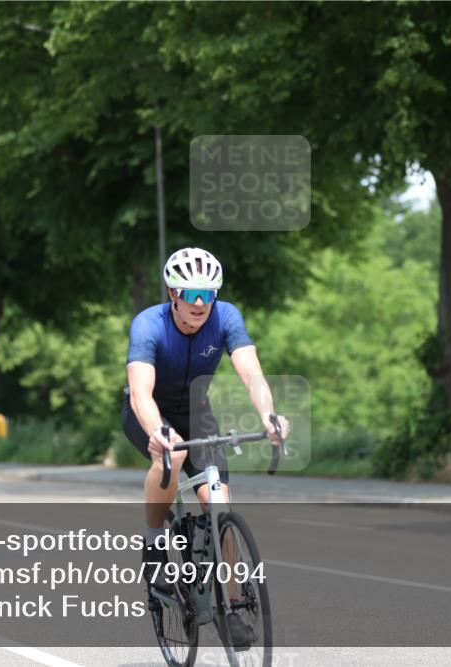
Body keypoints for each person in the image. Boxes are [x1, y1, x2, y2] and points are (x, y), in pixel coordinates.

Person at [122, 247, 289, 643]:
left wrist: (269, 415)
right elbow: (140, 393)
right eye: (192, 294)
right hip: (149, 411)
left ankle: (232, 607)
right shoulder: (149, 324)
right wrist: (157, 433)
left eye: (208, 294)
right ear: (173, 293)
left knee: (219, 502)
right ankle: (153, 542)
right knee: (173, 453)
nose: (201, 304)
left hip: (197, 411)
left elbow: (252, 374)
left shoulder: (226, 317)